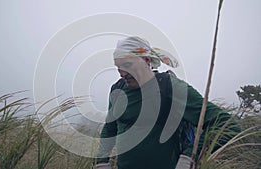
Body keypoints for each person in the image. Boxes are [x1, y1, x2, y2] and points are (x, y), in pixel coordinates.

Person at [95, 36, 239, 169]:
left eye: (127, 65)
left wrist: (189, 156)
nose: (122, 73)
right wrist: (101, 161)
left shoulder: (171, 88)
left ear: (146, 61)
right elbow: (110, 128)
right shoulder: (117, 89)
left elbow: (226, 125)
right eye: (118, 66)